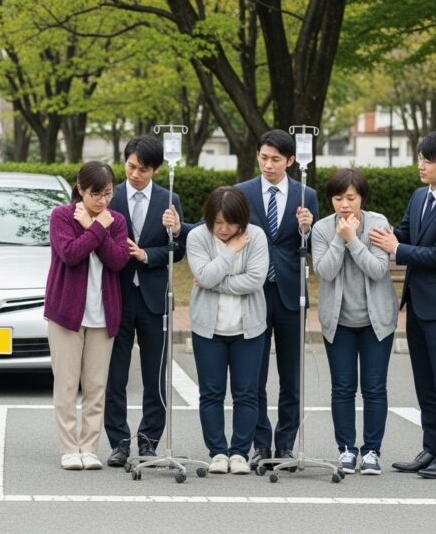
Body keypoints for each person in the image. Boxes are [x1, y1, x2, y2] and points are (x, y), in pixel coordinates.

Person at [370, 130, 436, 479]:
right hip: (417, 303)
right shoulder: (420, 196)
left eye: (428, 160)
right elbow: (405, 233)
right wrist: (376, 230)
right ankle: (431, 449)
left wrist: (395, 249)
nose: (421, 165)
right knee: (425, 384)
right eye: (421, 158)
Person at [104, 135, 194, 467]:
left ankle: (149, 441)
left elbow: (180, 249)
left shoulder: (169, 199)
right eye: (130, 166)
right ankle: (118, 442)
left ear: (155, 169)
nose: (135, 174)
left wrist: (150, 251)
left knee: (156, 375)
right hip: (118, 295)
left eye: (142, 169)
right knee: (115, 375)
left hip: (156, 297)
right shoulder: (110, 197)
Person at [236, 129, 317, 469]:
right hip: (253, 292)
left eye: (275, 160)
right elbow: (223, 228)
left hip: (290, 291)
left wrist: (308, 228)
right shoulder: (242, 192)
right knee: (253, 375)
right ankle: (259, 443)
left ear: (291, 160)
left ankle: (285, 444)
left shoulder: (305, 194)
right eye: (263, 158)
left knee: (291, 375)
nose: (268, 165)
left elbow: (311, 247)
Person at [45, 161, 130, 471]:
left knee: (96, 386)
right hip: (66, 313)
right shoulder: (61, 216)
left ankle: (89, 447)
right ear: (80, 190)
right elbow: (70, 254)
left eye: (108, 193)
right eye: (96, 194)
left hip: (103, 315)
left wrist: (99, 228)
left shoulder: (116, 220)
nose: (103, 201)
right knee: (66, 385)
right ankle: (69, 448)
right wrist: (96, 227)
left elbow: (118, 259)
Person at [311, 168, 397, 475]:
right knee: (343, 388)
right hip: (339, 322)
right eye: (338, 198)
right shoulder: (322, 229)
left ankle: (372, 450)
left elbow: (377, 269)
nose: (345, 204)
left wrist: (353, 240)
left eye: (351, 197)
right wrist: (341, 238)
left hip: (377, 321)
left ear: (362, 198)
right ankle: (346, 449)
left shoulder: (378, 223)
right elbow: (325, 271)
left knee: (374, 388)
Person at [187, 186, 269, 474]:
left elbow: (255, 280)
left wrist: (214, 281)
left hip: (249, 329)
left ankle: (239, 453)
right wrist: (231, 253)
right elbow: (203, 275)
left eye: (230, 223)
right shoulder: (197, 236)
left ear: (242, 220)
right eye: (217, 223)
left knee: (247, 392)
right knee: (211, 392)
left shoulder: (256, 236)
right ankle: (218, 452)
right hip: (208, 330)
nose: (223, 229)